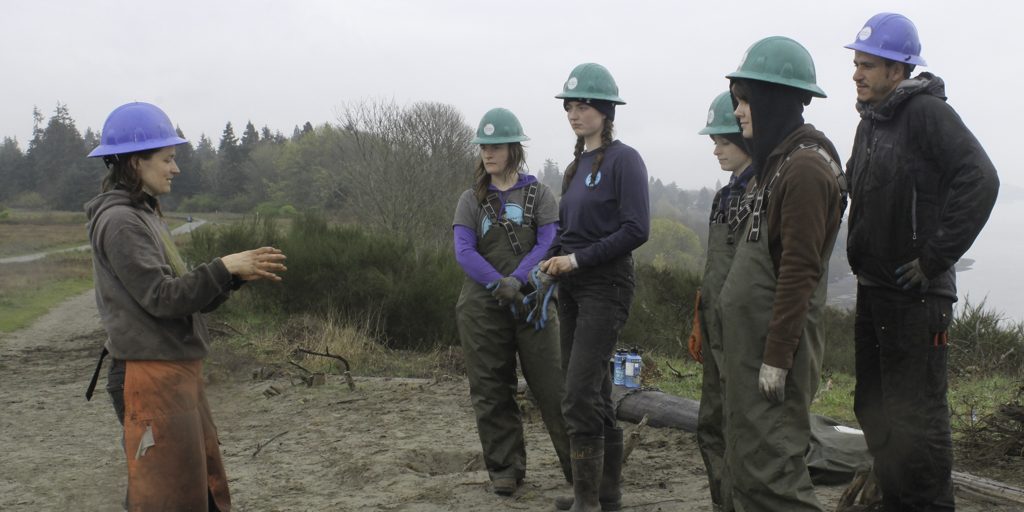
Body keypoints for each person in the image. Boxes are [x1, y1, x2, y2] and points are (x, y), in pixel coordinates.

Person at [84, 102, 287, 511]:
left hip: (171, 375)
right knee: (163, 498)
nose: (175, 168)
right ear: (135, 162)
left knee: (198, 492)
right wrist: (223, 266)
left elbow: (180, 295)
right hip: (148, 378)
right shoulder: (121, 222)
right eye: (168, 159)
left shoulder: (144, 214)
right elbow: (162, 297)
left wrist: (231, 277)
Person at [844, 13, 999, 511]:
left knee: (919, 421)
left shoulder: (927, 113)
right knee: (873, 408)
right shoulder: (870, 123)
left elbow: (981, 178)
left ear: (899, 70)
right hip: (874, 290)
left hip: (917, 298)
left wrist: (933, 259)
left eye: (868, 65)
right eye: (855, 63)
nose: (857, 74)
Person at [716, 37, 847, 511]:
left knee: (773, 476)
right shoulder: (774, 166)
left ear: (773, 99)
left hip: (773, 359)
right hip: (750, 355)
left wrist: (776, 356)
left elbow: (799, 270)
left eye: (746, 100)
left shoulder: (806, 169)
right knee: (751, 469)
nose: (740, 112)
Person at [542, 62, 650, 512]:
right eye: (569, 106)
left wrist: (578, 258)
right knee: (594, 391)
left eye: (583, 105)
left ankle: (585, 500)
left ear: (605, 111)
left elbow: (636, 229)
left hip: (606, 285)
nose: (574, 113)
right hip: (570, 287)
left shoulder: (626, 159)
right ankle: (607, 495)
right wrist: (549, 263)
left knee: (578, 392)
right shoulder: (574, 167)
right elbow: (570, 229)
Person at [452, 107, 571, 496]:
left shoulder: (539, 193)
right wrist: (497, 284)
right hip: (481, 307)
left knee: (553, 386)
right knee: (490, 389)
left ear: (513, 149)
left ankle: (579, 469)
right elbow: (464, 251)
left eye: (496, 146)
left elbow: (549, 240)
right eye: (483, 147)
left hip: (533, 303)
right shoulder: (471, 199)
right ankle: (505, 469)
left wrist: (517, 281)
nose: (488, 154)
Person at [688, 91, 755, 512]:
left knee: (742, 432)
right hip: (714, 327)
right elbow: (713, 271)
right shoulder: (724, 196)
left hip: (744, 335)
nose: (715, 150)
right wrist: (699, 318)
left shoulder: (763, 193)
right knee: (710, 426)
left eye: (723, 142)